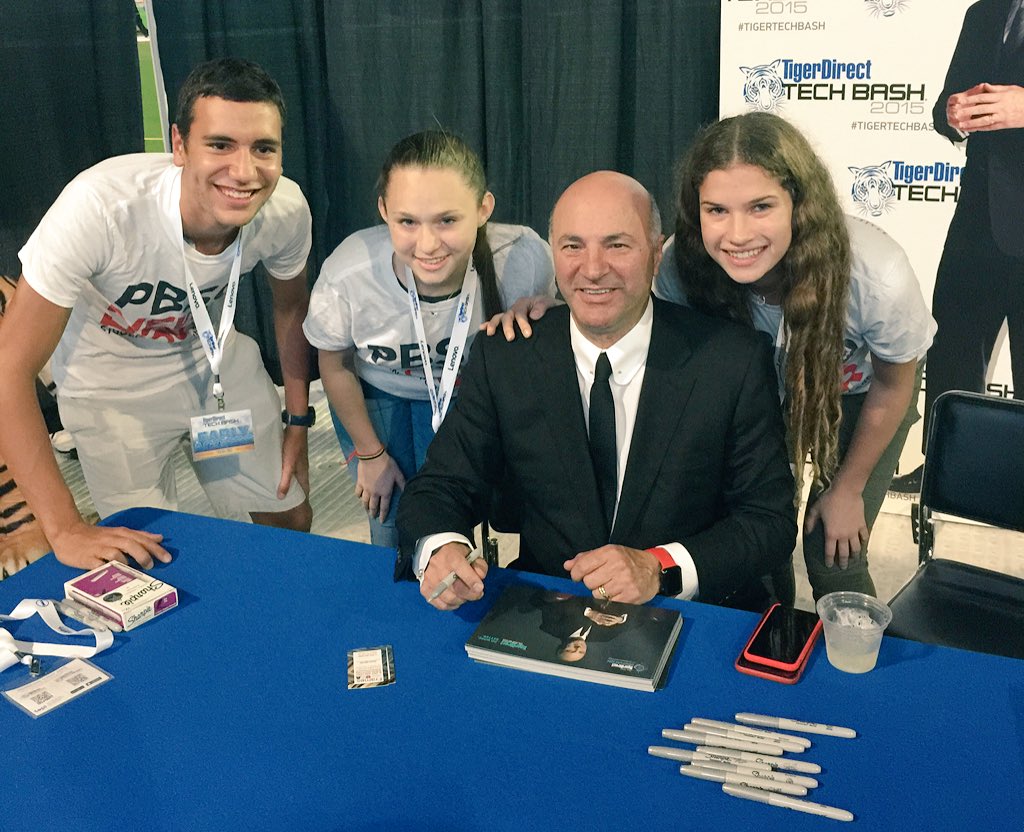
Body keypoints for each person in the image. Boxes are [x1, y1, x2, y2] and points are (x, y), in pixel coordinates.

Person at [396, 171, 796, 612]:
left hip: (689, 614)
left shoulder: (732, 360)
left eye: (617, 245)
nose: (592, 269)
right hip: (549, 613)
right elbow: (440, 486)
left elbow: (768, 521)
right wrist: (442, 546)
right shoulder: (505, 357)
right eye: (573, 246)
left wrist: (660, 568)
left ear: (656, 254)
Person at [0, 58, 315, 571]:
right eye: (220, 145)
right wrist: (64, 528)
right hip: (111, 389)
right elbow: (7, 369)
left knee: (289, 521)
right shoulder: (100, 208)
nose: (244, 171)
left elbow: (292, 307)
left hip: (215, 371)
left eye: (263, 148)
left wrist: (298, 419)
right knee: (147, 557)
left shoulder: (285, 209)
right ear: (179, 145)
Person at [659, 112, 935, 601]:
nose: (737, 234)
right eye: (716, 210)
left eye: (760, 207)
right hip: (760, 394)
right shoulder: (682, 264)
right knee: (756, 539)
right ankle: (774, 637)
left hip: (862, 395)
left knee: (833, 554)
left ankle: (858, 651)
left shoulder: (876, 274)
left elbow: (894, 384)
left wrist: (848, 489)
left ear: (799, 203)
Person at [303, 131, 555, 548]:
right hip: (382, 395)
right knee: (393, 524)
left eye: (447, 220)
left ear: (483, 208)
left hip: (473, 394)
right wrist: (369, 454)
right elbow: (334, 363)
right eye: (407, 222)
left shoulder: (522, 258)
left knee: (476, 512)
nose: (428, 244)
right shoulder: (349, 274)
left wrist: (547, 310)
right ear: (384, 211)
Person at [893, 0, 1024, 492]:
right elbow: (944, 107)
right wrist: (951, 114)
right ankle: (946, 469)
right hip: (978, 217)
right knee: (952, 343)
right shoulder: (983, 13)